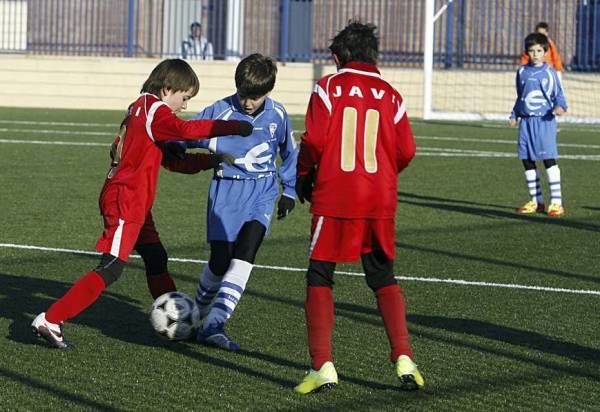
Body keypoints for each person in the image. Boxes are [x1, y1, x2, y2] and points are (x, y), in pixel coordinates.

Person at [31, 58, 253, 349]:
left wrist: (210, 161)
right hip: (127, 199)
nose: (184, 106)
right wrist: (233, 126)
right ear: (167, 89)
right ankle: (51, 319)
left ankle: (179, 321)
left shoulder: (141, 107)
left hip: (134, 201)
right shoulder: (155, 111)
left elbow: (173, 161)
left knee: (156, 258)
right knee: (111, 268)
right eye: (184, 98)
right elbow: (187, 132)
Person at [293, 21, 423, 394]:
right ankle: (404, 358)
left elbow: (315, 138)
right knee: (382, 277)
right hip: (379, 199)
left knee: (320, 276)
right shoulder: (391, 94)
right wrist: (382, 174)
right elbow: (407, 150)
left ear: (337, 57)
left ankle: (323, 366)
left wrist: (304, 175)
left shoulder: (328, 87)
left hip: (336, 195)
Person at [174, 53, 297, 351]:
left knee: (246, 251)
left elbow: (289, 151)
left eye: (255, 97)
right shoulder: (219, 112)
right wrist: (168, 147)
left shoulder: (278, 115)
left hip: (262, 192)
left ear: (267, 91)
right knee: (220, 260)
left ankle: (215, 323)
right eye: (244, 94)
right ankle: (198, 314)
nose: (248, 102)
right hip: (226, 193)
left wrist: (289, 191)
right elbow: (184, 135)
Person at [510, 32, 567, 217]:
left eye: (539, 51)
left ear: (545, 52)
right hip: (526, 122)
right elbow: (521, 97)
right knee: (527, 161)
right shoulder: (521, 72)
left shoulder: (550, 73)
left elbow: (559, 96)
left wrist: (560, 107)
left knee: (548, 160)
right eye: (531, 51)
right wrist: (514, 114)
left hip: (544, 121)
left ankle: (557, 202)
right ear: (527, 52)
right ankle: (537, 201)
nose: (535, 54)